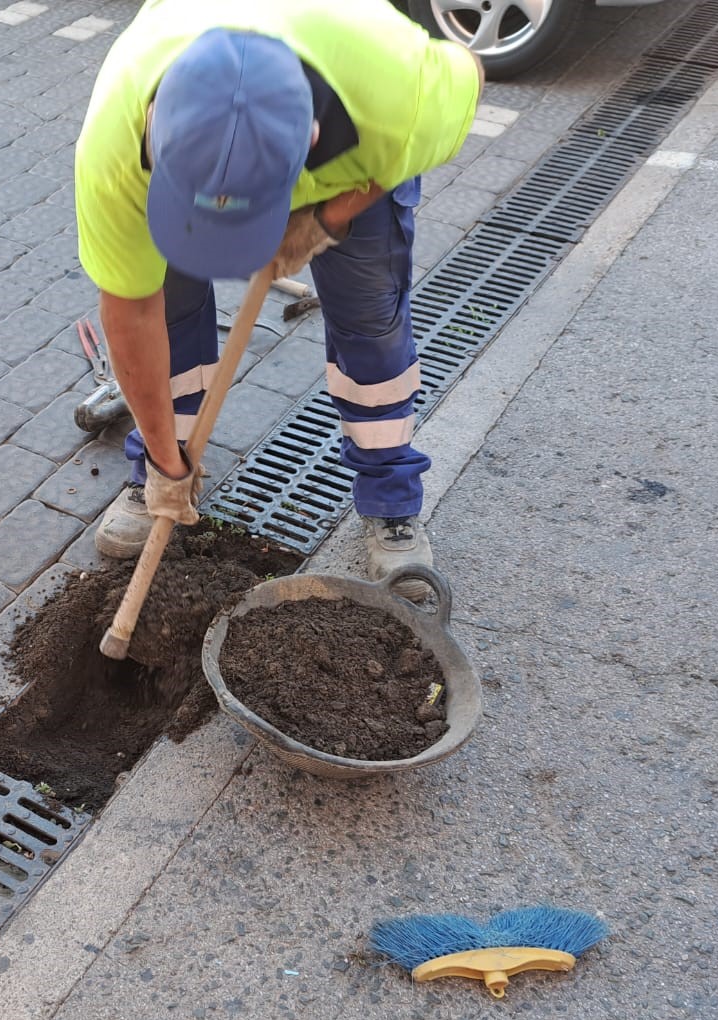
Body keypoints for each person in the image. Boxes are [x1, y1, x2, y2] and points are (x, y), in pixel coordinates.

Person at [75, 0, 482, 596]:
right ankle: (158, 475)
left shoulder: (405, 100)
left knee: (370, 325)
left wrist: (330, 217)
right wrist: (165, 462)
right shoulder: (114, 151)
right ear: (153, 130)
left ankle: (391, 500)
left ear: (313, 139)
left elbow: (465, 78)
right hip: (186, 162)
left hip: (345, 169)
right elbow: (133, 313)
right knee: (171, 311)